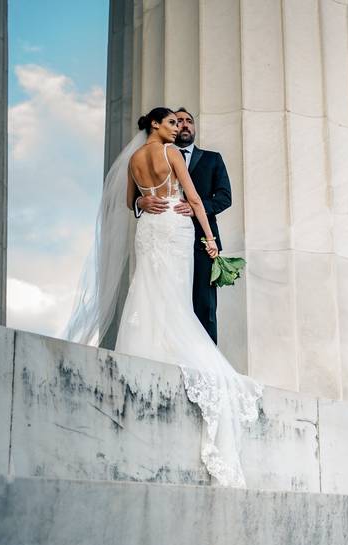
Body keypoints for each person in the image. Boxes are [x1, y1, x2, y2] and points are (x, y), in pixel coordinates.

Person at [65, 107, 260, 488]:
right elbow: (196, 201)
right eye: (172, 122)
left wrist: (141, 203)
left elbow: (129, 200)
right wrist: (210, 241)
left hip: (150, 229)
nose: (177, 128)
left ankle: (153, 351)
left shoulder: (134, 159)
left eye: (180, 122)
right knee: (170, 293)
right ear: (156, 125)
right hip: (174, 225)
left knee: (148, 289)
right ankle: (186, 355)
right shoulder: (170, 153)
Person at [134, 108, 230, 344]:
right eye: (177, 122)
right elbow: (134, 196)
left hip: (196, 241)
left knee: (203, 305)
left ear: (194, 127)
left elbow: (224, 197)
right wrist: (140, 201)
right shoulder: (168, 152)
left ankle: (207, 360)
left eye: (188, 121)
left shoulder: (212, 158)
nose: (183, 126)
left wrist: (196, 208)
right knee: (163, 296)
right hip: (167, 233)